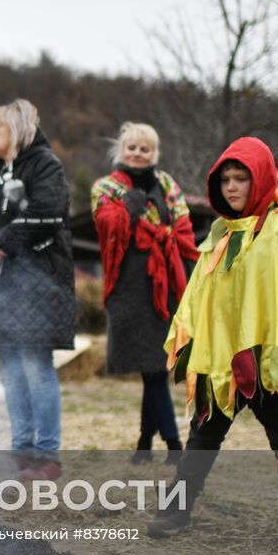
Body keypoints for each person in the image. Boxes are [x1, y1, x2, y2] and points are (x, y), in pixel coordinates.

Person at [148, 137, 278, 554]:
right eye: (225, 179)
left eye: (240, 178)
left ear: (259, 178)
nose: (231, 187)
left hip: (271, 358)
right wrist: (192, 338)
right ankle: (176, 511)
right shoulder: (221, 235)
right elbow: (201, 294)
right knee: (203, 437)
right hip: (224, 359)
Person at [0, 100, 74, 482]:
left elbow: (47, 213)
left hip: (38, 283)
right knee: (9, 369)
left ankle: (48, 457)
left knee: (37, 368)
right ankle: (21, 452)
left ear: (17, 130)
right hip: (0, 289)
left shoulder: (44, 165)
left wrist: (0, 245)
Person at [91, 123, 198, 463]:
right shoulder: (105, 187)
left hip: (164, 282)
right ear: (121, 151)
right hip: (129, 285)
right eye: (132, 148)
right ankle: (173, 446)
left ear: (155, 153)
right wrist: (129, 209)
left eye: (145, 149)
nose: (138, 153)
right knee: (151, 368)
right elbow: (105, 223)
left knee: (154, 367)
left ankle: (144, 444)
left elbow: (183, 229)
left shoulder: (168, 185)